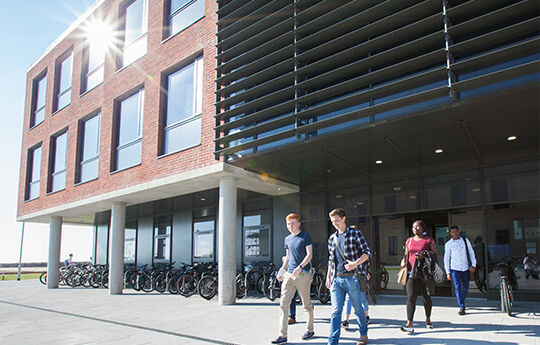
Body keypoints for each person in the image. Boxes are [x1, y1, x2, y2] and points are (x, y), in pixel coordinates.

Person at [326, 208, 370, 345]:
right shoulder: (332, 238)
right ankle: (332, 341)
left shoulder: (355, 233)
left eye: (337, 221)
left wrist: (355, 264)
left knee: (358, 309)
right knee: (335, 311)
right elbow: (330, 260)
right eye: (333, 221)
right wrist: (328, 277)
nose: (335, 224)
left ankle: (363, 334)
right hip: (336, 279)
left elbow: (367, 252)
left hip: (352, 278)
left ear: (344, 218)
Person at [271, 213, 314, 344]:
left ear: (299, 223)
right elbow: (288, 257)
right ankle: (282, 335)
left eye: (293, 223)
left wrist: (300, 267)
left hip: (302, 274)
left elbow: (310, 255)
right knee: (283, 304)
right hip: (289, 275)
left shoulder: (305, 236)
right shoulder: (287, 239)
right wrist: (281, 271)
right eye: (288, 224)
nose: (291, 226)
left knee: (306, 304)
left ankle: (310, 330)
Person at [400, 220, 438, 333]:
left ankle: (428, 319)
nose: (415, 229)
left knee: (426, 297)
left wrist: (424, 255)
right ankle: (409, 323)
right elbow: (406, 255)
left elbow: (435, 255)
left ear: (423, 228)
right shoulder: (409, 241)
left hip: (425, 273)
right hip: (412, 272)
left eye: (417, 227)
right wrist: (403, 262)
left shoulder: (429, 240)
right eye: (413, 227)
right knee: (411, 297)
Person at [444, 226, 476, 315]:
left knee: (465, 286)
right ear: (450, 233)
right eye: (453, 232)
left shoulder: (465, 241)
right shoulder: (448, 244)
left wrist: (473, 264)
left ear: (459, 232)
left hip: (465, 267)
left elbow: (471, 253)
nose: (455, 233)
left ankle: (461, 300)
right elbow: (446, 259)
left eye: (456, 231)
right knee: (458, 287)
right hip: (455, 268)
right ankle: (462, 306)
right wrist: (448, 272)